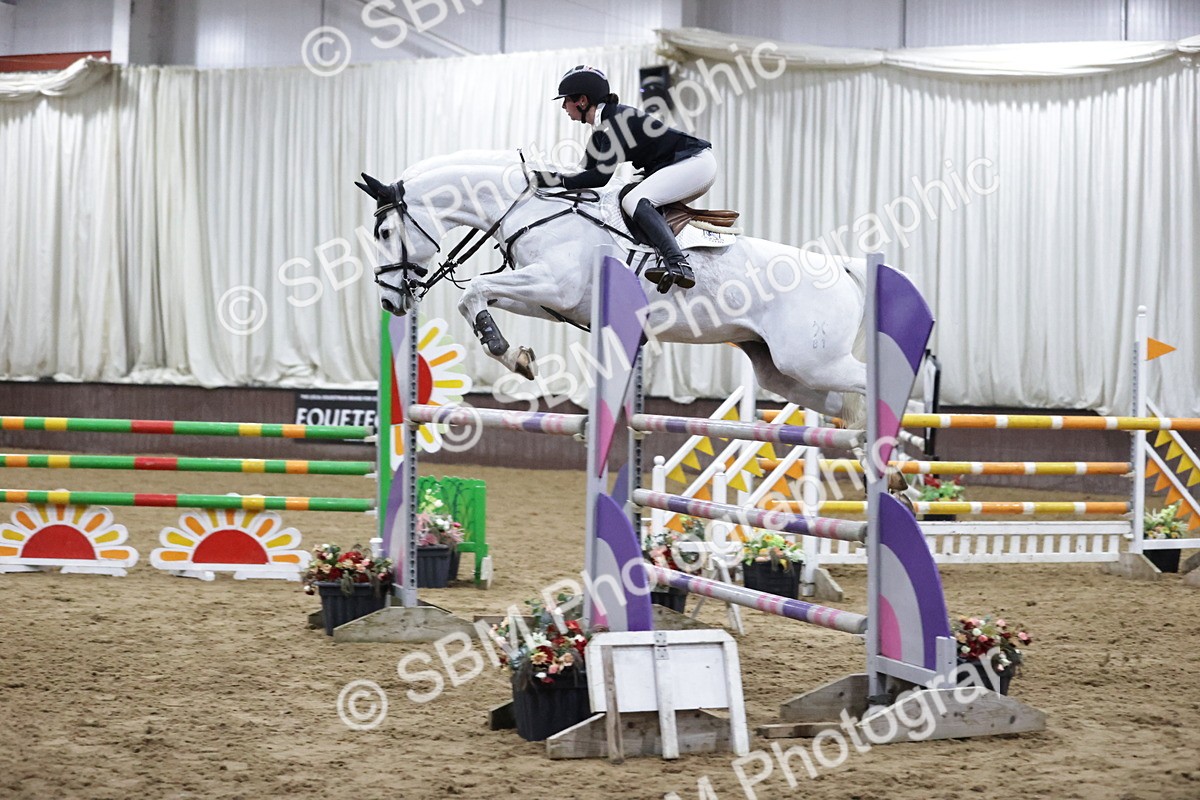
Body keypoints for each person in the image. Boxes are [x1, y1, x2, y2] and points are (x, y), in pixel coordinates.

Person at [530, 65, 717, 292]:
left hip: (695, 163)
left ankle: (677, 262)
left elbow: (599, 178)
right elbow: (581, 171)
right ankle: (659, 256)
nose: (563, 106)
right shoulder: (603, 126)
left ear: (581, 100)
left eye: (566, 100)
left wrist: (554, 180)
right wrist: (540, 175)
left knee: (634, 199)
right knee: (626, 194)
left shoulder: (613, 123)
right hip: (683, 164)